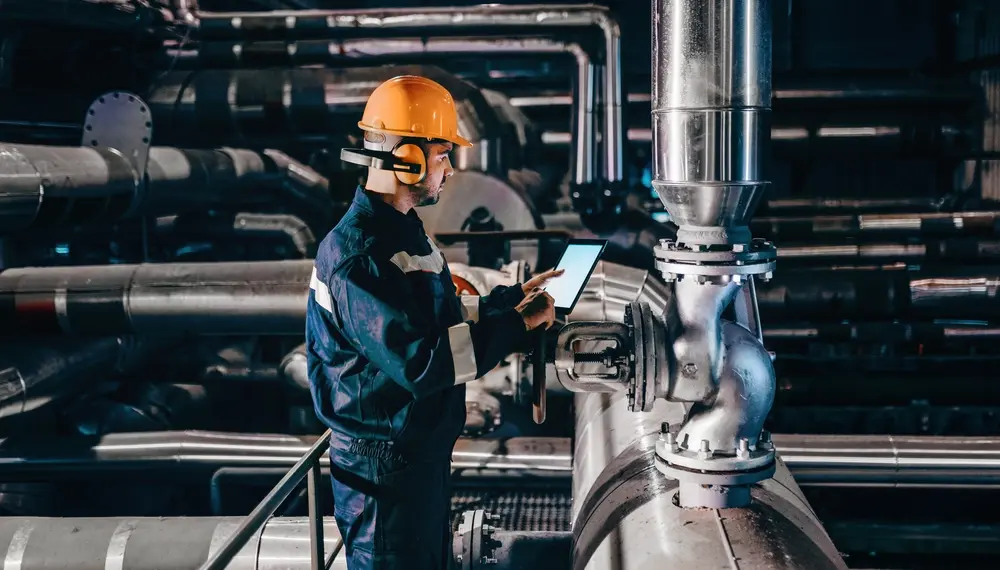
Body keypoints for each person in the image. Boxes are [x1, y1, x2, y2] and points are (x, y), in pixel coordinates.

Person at [305, 75, 561, 570]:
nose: (448, 169)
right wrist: (518, 327)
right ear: (408, 159)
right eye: (443, 155)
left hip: (412, 456)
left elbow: (435, 315)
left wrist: (507, 304)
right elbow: (422, 361)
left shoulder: (400, 231)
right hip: (383, 473)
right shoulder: (361, 256)